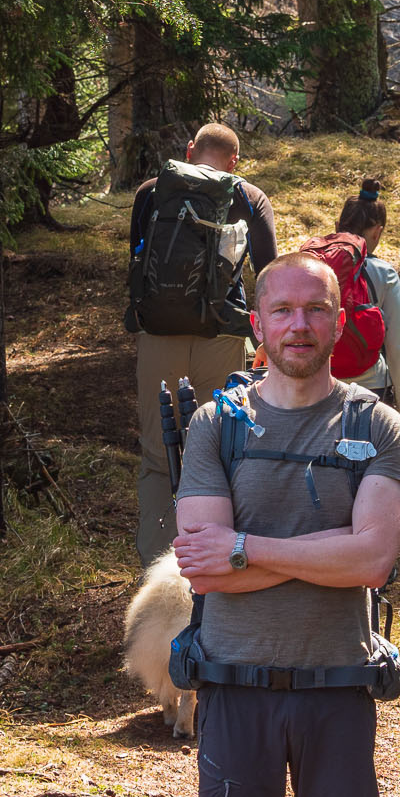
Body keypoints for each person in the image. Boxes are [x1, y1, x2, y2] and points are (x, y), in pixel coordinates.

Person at [172, 251, 400, 797]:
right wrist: (320, 552)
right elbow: (202, 565)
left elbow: (372, 560)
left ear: (340, 322)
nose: (299, 325)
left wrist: (250, 550)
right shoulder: (217, 424)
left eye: (315, 310)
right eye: (282, 310)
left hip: (338, 696)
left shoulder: (374, 424)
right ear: (258, 325)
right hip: (234, 693)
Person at [127, 122, 277, 564]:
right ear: (234, 162)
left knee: (158, 455)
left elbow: (138, 263)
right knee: (222, 447)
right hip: (223, 336)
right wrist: (264, 339)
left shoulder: (151, 191)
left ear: (190, 151)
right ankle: (217, 561)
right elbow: (268, 273)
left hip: (158, 337)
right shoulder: (249, 197)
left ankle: (157, 565)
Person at [334, 179, 400, 450]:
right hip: (368, 387)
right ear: (377, 231)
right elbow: (399, 347)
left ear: (338, 227)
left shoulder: (312, 266)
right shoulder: (384, 274)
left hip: (316, 384)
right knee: (360, 464)